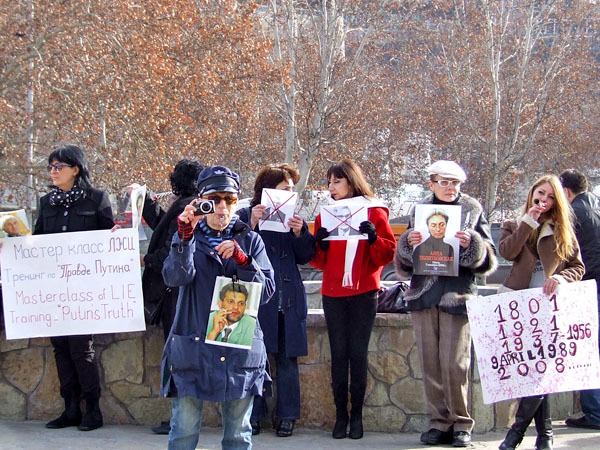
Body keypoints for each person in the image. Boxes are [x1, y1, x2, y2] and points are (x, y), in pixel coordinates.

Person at [160, 165, 275, 450]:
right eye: (214, 199)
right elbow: (174, 277)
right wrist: (184, 239)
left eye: (230, 200)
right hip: (193, 346)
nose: (223, 207)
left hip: (238, 349)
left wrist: (245, 262)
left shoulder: (250, 240)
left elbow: (267, 292)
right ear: (201, 202)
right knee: (183, 432)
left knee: (238, 435)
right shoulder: (188, 236)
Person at [394, 160, 497, 447]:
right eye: (444, 182)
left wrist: (472, 244)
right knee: (430, 363)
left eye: (455, 183)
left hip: (457, 295)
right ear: (432, 184)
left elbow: (490, 257)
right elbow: (404, 263)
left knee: (455, 364)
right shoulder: (419, 210)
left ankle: (461, 423)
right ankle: (439, 422)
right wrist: (407, 244)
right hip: (423, 295)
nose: (450, 187)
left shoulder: (472, 209)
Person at [310, 159, 396, 440]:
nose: (331, 187)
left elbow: (387, 255)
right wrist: (319, 244)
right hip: (333, 293)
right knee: (338, 354)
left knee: (358, 354)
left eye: (337, 181)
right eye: (329, 182)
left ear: (352, 181)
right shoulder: (325, 214)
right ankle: (340, 416)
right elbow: (318, 262)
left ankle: (356, 416)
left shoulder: (375, 210)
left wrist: (374, 239)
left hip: (364, 292)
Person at [498, 174, 585, 450]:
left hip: (550, 309)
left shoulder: (562, 230)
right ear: (532, 194)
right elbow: (507, 252)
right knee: (531, 373)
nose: (543, 200)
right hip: (519, 308)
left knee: (541, 372)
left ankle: (515, 434)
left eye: (549, 196)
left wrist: (560, 277)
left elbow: (578, 267)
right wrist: (528, 222)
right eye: (540, 194)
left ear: (557, 201)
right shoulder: (514, 224)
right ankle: (545, 435)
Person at [34, 144, 114, 432]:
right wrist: (14, 243)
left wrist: (117, 236)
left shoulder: (97, 199)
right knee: (60, 347)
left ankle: (92, 408)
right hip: (55, 289)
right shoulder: (46, 203)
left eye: (59, 166)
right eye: (51, 167)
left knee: (82, 348)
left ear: (76, 169)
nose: (53, 172)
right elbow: (37, 242)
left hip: (85, 288)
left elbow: (109, 239)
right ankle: (70, 408)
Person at [237, 163, 315, 438]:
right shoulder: (245, 214)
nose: (289, 193)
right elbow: (233, 249)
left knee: (287, 359)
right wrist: (251, 225)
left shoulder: (295, 218)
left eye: (291, 189)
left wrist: (300, 234)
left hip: (287, 299)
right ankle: (253, 414)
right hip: (255, 299)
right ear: (267, 190)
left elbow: (306, 257)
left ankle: (288, 415)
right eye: (284, 188)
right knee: (254, 359)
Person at [132, 159, 203, 435]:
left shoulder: (187, 207)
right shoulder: (189, 205)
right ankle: (179, 417)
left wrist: (145, 260)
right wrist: (144, 201)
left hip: (174, 294)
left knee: (177, 356)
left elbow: (170, 250)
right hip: (178, 292)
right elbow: (164, 226)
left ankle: (180, 418)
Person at [560, 170, 600, 430]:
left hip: (588, 286)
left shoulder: (572, 214)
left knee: (587, 350)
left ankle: (595, 413)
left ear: (566, 191)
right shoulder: (596, 206)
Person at [412, 209, 456, 276]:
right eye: (433, 225)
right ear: (428, 227)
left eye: (442, 225)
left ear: (446, 225)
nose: (438, 229)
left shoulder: (450, 248)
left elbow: (451, 273)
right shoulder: (420, 248)